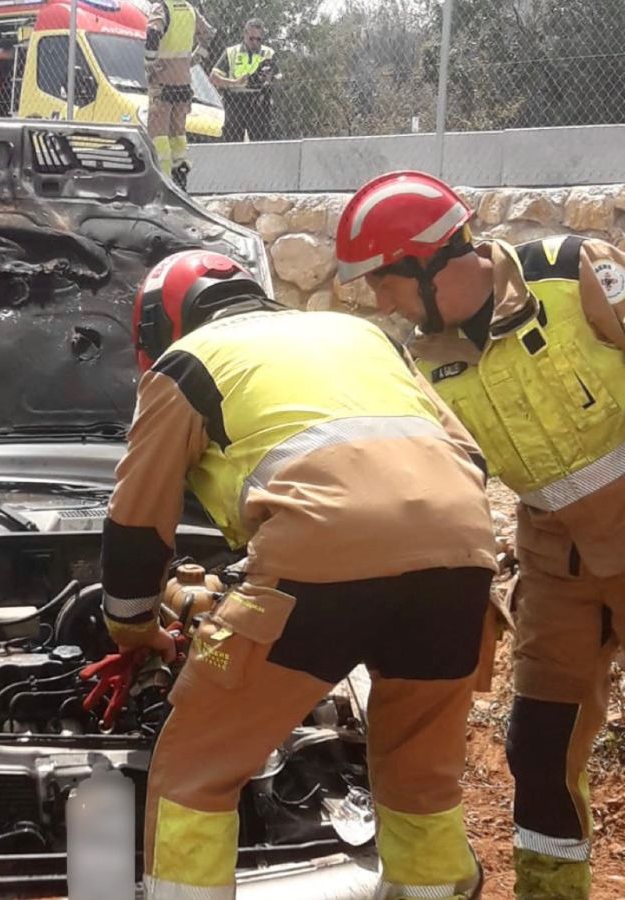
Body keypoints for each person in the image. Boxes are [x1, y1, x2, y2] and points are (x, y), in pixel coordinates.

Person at [101, 248, 498, 899]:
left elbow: (137, 523)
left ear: (158, 326)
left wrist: (132, 628)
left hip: (313, 564)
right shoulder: (360, 334)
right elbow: (470, 457)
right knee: (419, 776)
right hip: (461, 555)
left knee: (195, 769)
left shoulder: (184, 364)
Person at [337, 170, 625, 900]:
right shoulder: (421, 361)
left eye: (385, 279)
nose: (381, 298)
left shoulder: (574, 273)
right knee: (538, 747)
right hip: (558, 565)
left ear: (432, 258)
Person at [145, 0, 214, 187]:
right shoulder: (189, 9)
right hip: (184, 83)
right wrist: (194, 59)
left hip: (162, 82)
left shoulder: (161, 8)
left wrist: (150, 64)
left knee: (158, 133)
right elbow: (208, 34)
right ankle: (180, 175)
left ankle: (163, 180)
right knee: (178, 132)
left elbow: (153, 33)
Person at [211, 18, 278, 143]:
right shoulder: (231, 52)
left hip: (259, 102)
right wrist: (235, 82)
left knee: (261, 146)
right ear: (245, 34)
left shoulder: (269, 53)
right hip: (235, 101)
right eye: (251, 38)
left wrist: (269, 80)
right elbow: (213, 78)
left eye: (259, 39)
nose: (255, 42)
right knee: (232, 144)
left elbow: (278, 77)